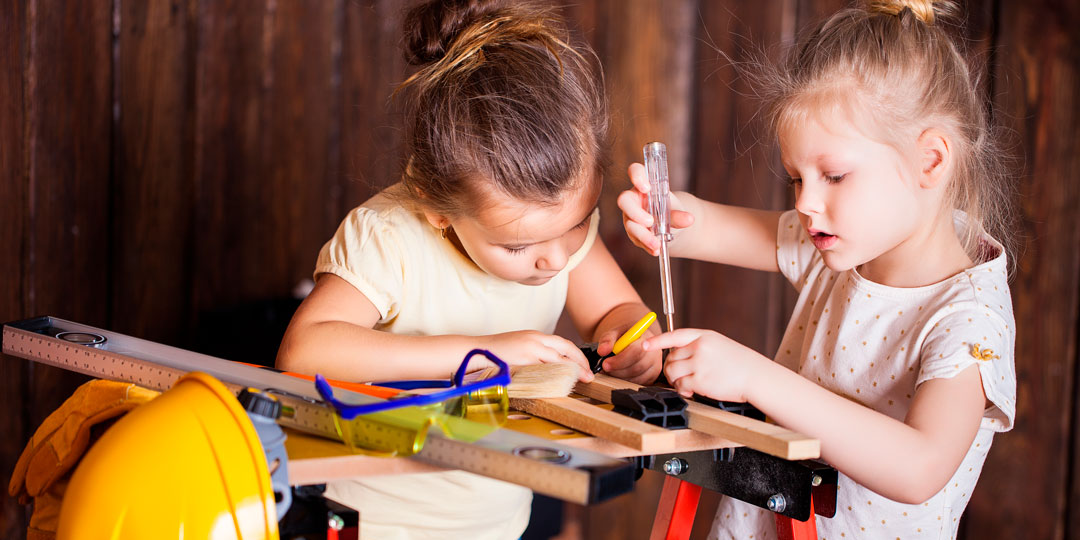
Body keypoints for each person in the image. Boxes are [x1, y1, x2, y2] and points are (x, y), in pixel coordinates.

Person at [619, 1, 1017, 538]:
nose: (806, 202)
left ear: (930, 161)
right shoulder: (844, 245)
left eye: (833, 175)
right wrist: (663, 216)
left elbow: (919, 467)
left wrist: (754, 377)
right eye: (795, 179)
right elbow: (706, 227)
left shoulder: (968, 321)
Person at [276, 0, 661, 538]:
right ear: (441, 212)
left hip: (497, 518)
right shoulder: (390, 236)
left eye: (575, 227)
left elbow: (615, 312)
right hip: (375, 521)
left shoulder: (555, 232)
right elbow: (304, 351)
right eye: (519, 246)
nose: (556, 258)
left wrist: (632, 340)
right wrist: (489, 352)